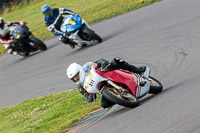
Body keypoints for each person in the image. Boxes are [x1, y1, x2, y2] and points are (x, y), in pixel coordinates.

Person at [66, 57, 146, 108]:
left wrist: (103, 64)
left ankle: (136, 70)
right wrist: (90, 95)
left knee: (116, 61)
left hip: (108, 74)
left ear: (79, 70)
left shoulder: (89, 67)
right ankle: (121, 98)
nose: (76, 78)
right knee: (104, 104)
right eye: (74, 78)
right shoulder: (81, 86)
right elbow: (88, 98)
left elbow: (100, 60)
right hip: (102, 87)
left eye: (76, 75)